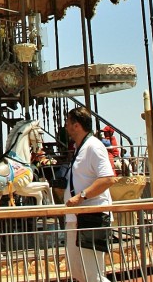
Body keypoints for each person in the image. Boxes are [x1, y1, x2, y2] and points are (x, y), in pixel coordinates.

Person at [63, 106, 117, 282]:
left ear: (76, 126)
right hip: (77, 217)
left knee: (92, 274)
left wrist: (81, 196)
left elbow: (108, 178)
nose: (65, 126)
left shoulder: (94, 147)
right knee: (78, 272)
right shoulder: (81, 148)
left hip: (91, 216)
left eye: (67, 122)